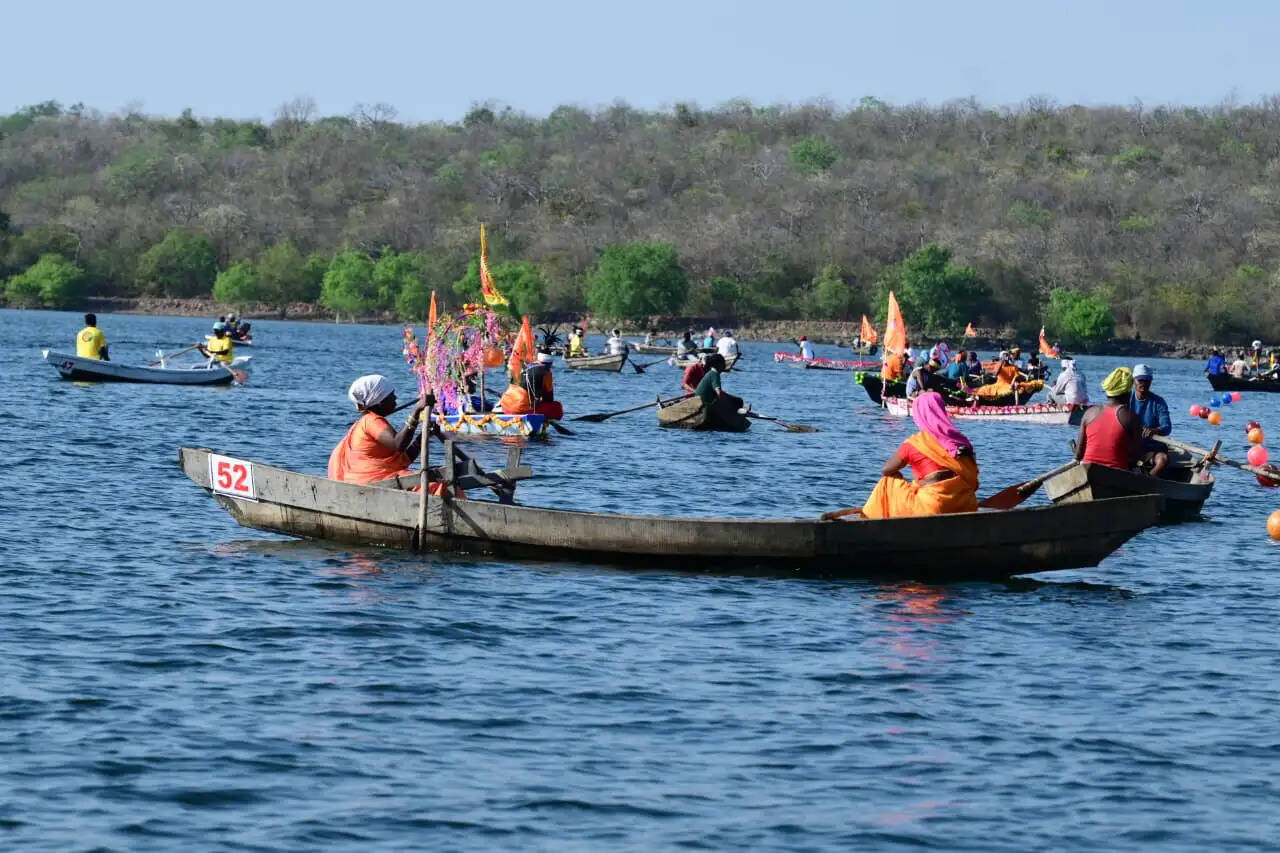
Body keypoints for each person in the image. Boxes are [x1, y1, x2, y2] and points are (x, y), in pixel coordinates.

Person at [859, 391, 979, 519]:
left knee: (887, 481)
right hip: (966, 503)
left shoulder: (915, 443)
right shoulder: (961, 441)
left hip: (933, 506)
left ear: (919, 415)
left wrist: (904, 478)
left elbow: (886, 470)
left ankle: (868, 519)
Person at [328, 375, 428, 484]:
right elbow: (398, 444)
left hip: (374, 480)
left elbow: (403, 459)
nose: (395, 398)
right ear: (380, 400)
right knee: (435, 485)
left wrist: (426, 433)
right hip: (373, 483)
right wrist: (416, 411)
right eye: (391, 395)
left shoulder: (369, 421)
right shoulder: (371, 421)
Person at [1074, 367, 1140, 471]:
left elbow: (1078, 455)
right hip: (1117, 472)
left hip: (1087, 469)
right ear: (1128, 393)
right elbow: (1135, 457)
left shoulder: (1089, 413)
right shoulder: (1131, 417)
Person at [1130, 364, 1172, 477]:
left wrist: (1155, 430)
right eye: (1140, 380)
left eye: (1147, 380)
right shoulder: (1127, 399)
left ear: (1151, 381)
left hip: (1151, 448)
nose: (1143, 384)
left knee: (1163, 460)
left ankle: (1148, 480)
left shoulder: (1159, 402)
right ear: (1134, 381)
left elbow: (1167, 427)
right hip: (1130, 446)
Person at [695, 353, 746, 418]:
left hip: (701, 400)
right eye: (723, 363)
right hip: (704, 403)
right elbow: (719, 393)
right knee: (738, 401)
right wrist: (730, 402)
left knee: (734, 400)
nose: (724, 365)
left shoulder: (710, 373)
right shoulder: (714, 374)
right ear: (717, 365)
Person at [521, 349, 564, 420]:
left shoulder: (524, 367)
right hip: (523, 408)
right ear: (550, 364)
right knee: (557, 407)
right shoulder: (547, 373)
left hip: (507, 404)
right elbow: (549, 399)